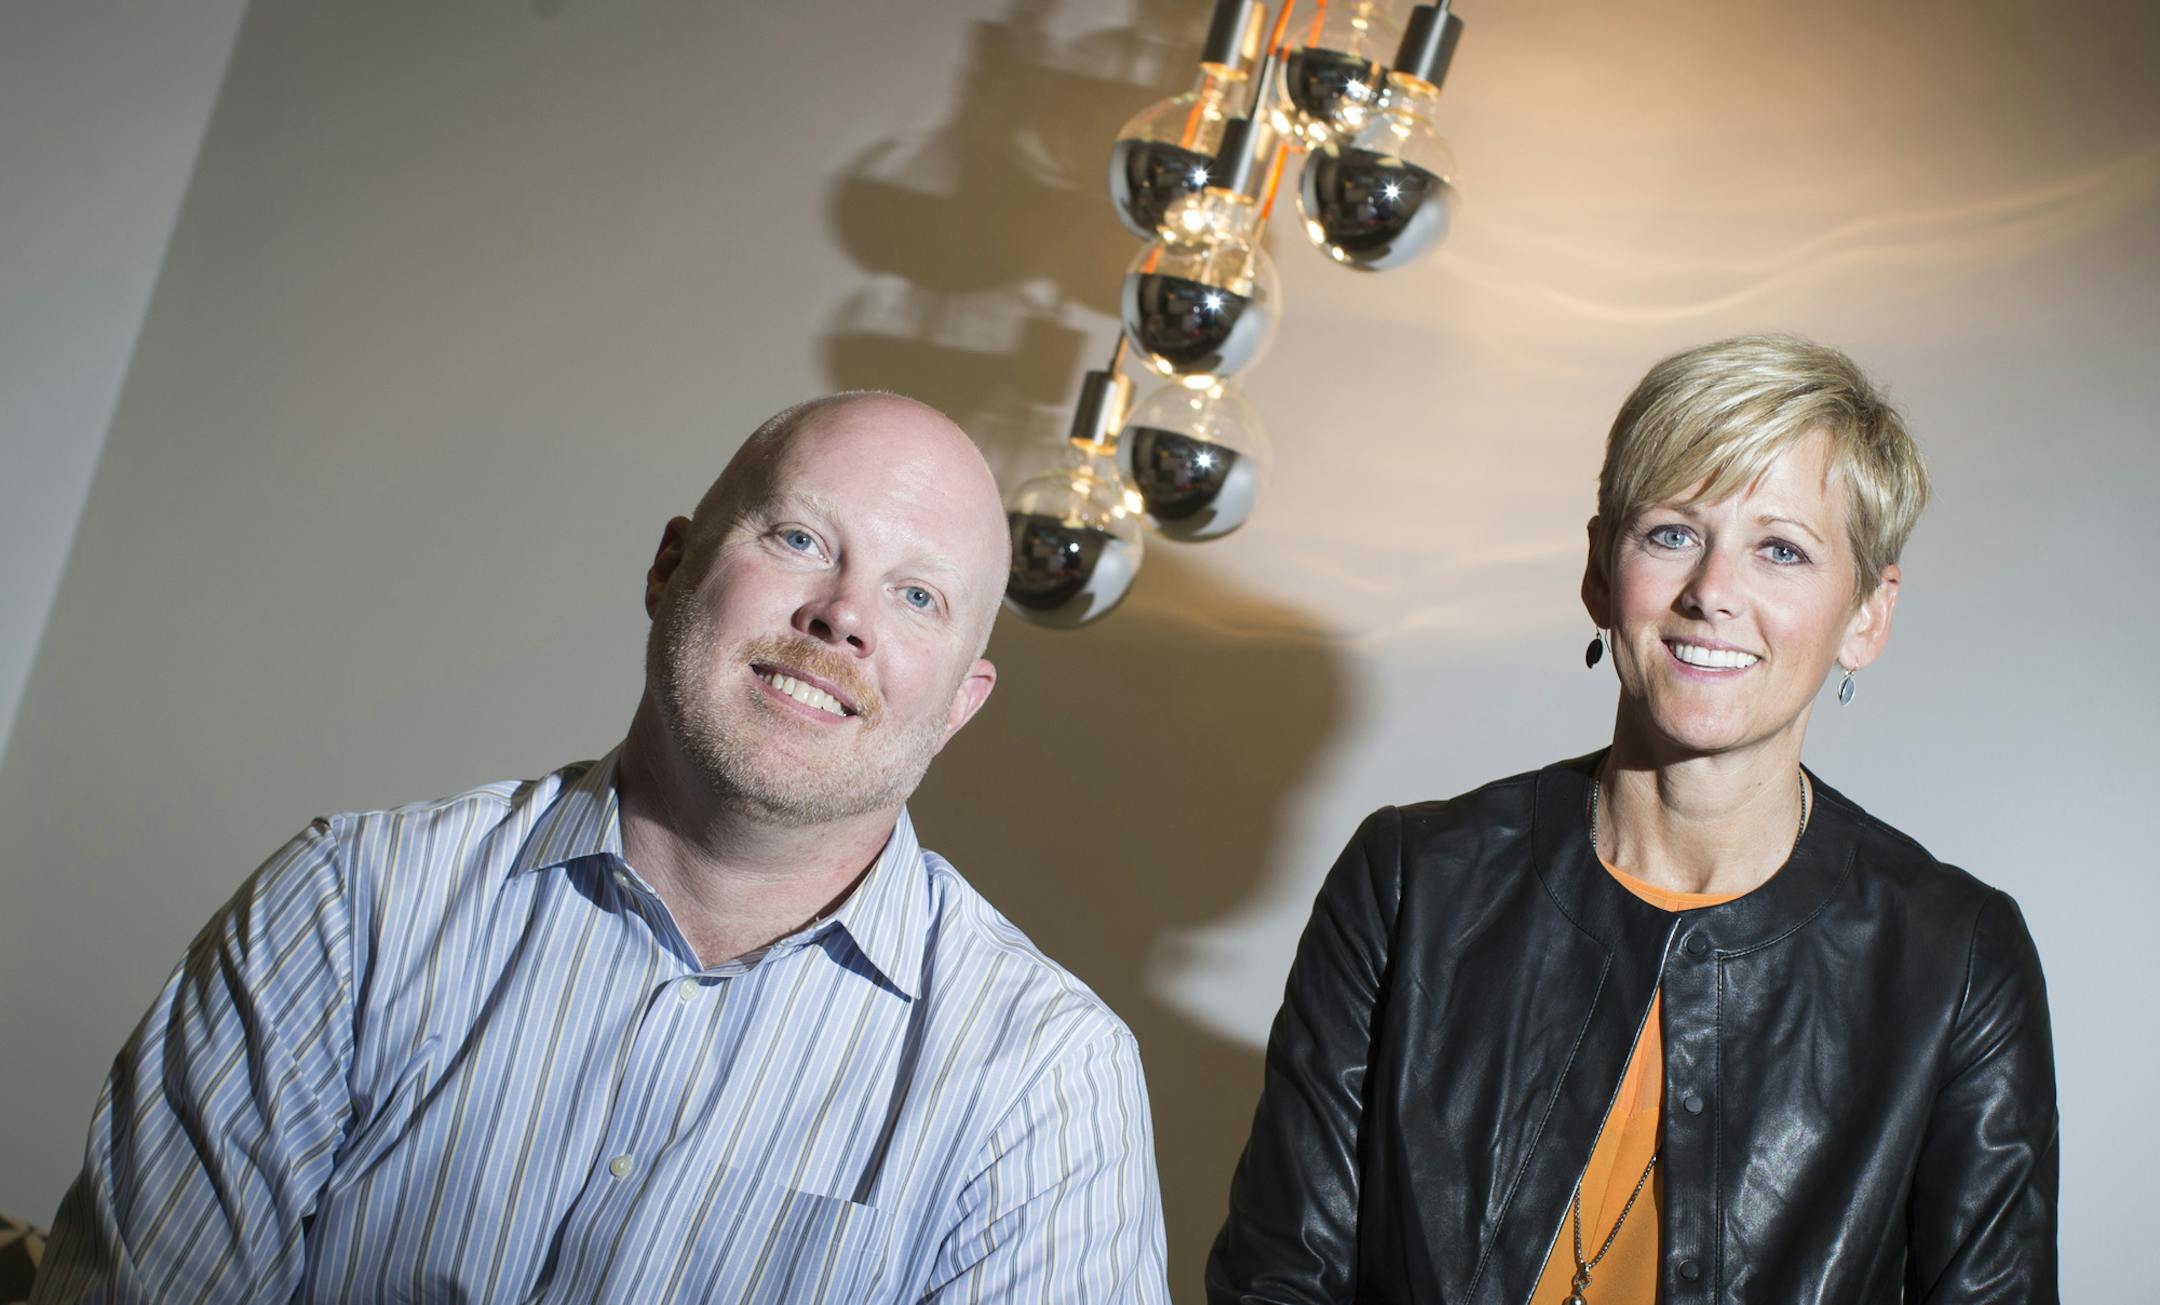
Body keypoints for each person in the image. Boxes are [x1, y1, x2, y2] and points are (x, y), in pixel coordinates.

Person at [34, 393, 1171, 1303]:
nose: (843, 617)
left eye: (919, 595)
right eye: (798, 538)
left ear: (962, 704)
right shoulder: (352, 910)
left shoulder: (1044, 1081)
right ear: (671, 566)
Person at [1207, 335, 2056, 1303]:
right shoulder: (1410, 880)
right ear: (1601, 573)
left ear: (1867, 614)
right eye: (1671, 534)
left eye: (1781, 549)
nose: (1712, 593)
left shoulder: (1957, 956)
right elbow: (1278, 1279)